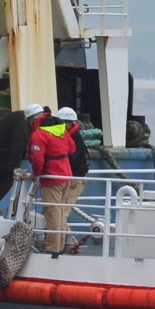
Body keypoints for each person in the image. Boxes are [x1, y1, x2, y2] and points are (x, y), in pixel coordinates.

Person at [28, 107, 76, 255]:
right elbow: (72, 149)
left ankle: (52, 248)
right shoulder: (62, 131)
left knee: (53, 212)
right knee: (60, 212)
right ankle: (60, 246)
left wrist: (36, 174)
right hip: (66, 175)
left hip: (52, 177)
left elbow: (37, 159)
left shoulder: (39, 135)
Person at [55, 107, 89, 250]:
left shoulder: (73, 139)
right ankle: (70, 243)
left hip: (74, 181)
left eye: (62, 123)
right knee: (60, 212)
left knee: (61, 213)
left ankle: (63, 244)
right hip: (71, 179)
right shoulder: (73, 137)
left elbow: (73, 161)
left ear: (69, 124)